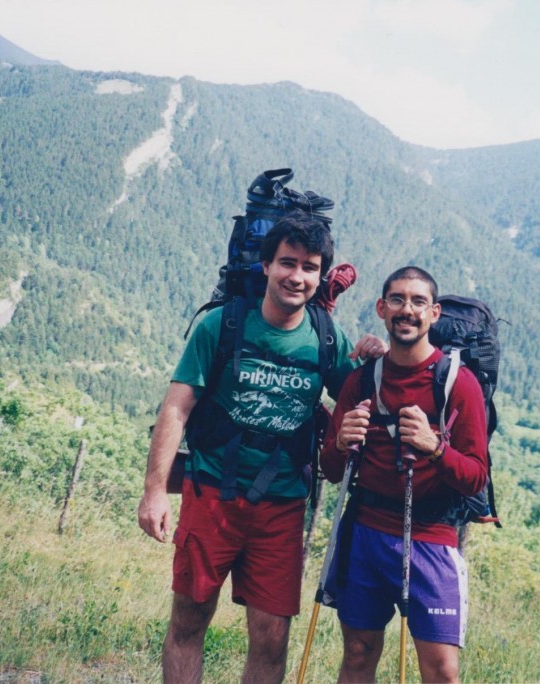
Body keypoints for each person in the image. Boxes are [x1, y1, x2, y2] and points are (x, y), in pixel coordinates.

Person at [137, 210, 385, 684]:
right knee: (189, 623)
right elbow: (176, 409)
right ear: (267, 266)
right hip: (212, 494)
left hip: (282, 506)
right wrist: (153, 491)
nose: (297, 276)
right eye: (287, 263)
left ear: (320, 275)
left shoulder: (328, 339)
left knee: (271, 640)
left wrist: (372, 357)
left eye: (310, 267)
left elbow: (359, 395)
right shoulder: (222, 326)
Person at [320, 266, 488, 684]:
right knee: (358, 655)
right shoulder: (362, 381)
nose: (406, 310)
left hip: (431, 537)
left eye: (417, 302)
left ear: (433, 313)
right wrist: (341, 443)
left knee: (442, 672)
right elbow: (330, 471)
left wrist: (435, 449)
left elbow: (476, 477)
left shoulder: (458, 384)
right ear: (381, 308)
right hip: (365, 533)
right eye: (397, 300)